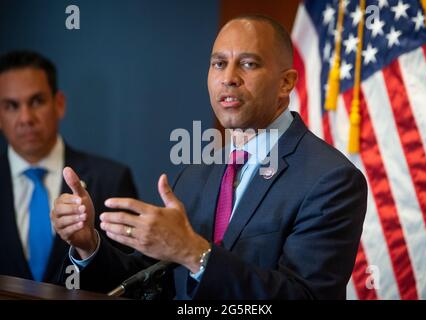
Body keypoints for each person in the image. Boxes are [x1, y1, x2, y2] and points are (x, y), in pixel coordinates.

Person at [52, 15, 368, 299]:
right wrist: (87, 245)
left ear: (286, 83)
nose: (228, 77)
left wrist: (194, 252)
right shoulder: (195, 173)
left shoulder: (330, 179)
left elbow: (304, 296)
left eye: (248, 64)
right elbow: (147, 280)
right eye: (219, 63)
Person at [0, 50, 138, 284]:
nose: (25, 118)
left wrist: (89, 248)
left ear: (59, 104)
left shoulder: (111, 180)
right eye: (12, 106)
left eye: (37, 101)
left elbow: (134, 281)